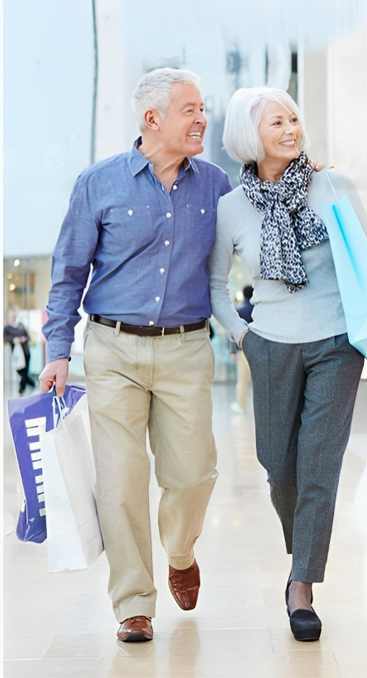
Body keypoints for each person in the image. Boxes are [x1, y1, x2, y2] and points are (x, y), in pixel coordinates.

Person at [209, 86, 367, 642]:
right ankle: (302, 541)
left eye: (294, 118)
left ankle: (301, 586)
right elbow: (214, 287)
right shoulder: (231, 207)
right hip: (270, 344)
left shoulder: (331, 185)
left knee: (320, 465)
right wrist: (241, 337)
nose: (291, 129)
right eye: (277, 122)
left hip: (338, 344)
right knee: (280, 466)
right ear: (250, 136)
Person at [39, 67, 233, 642]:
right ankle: (134, 603)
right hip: (112, 349)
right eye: (191, 110)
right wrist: (56, 351)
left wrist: (308, 176)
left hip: (186, 348)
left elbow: (261, 213)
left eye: (204, 108)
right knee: (122, 479)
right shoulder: (97, 183)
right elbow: (68, 272)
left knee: (193, 474)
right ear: (153, 119)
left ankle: (180, 552)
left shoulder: (217, 184)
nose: (203, 119)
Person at [231, 285, 254, 413]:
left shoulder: (239, 311)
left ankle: (241, 405)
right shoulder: (258, 309)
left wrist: (233, 351)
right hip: (259, 348)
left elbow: (233, 332)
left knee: (242, 379)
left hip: (243, 348)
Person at [4, 308, 35, 395]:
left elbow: (28, 337)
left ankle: (22, 389)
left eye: (14, 315)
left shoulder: (20, 325)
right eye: (11, 316)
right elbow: (6, 337)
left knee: (25, 371)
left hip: (25, 351)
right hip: (17, 354)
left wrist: (24, 339)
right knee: (21, 371)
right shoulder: (7, 328)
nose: (13, 317)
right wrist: (14, 340)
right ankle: (32, 383)